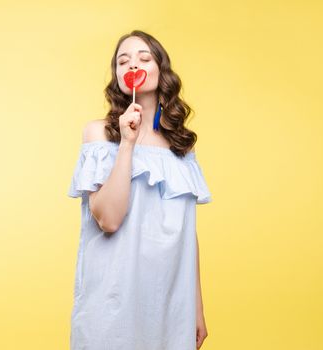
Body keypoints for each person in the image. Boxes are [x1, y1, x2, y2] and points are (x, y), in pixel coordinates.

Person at [67, 30, 213, 350]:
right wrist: (127, 145)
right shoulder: (99, 135)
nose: (132, 64)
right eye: (123, 60)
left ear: (162, 71)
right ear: (118, 76)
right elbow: (109, 219)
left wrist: (196, 307)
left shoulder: (182, 148)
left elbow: (187, 234)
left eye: (144, 58)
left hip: (169, 302)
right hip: (112, 303)